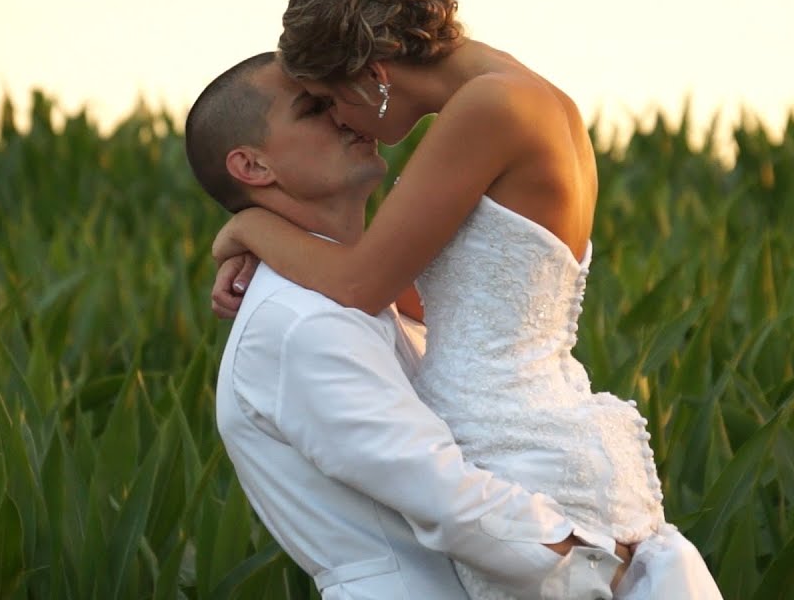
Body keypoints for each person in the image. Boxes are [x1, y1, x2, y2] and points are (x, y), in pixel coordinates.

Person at [211, 0, 722, 599]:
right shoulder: (513, 95)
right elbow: (421, 295)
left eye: (328, 99)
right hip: (534, 427)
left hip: (512, 445)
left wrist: (247, 229)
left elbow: (360, 286)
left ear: (374, 75)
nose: (340, 119)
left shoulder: (489, 109)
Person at [186, 51, 632, 599]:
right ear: (253, 167)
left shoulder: (382, 293)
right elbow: (447, 499)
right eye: (315, 107)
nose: (348, 114)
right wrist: (611, 569)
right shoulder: (298, 323)